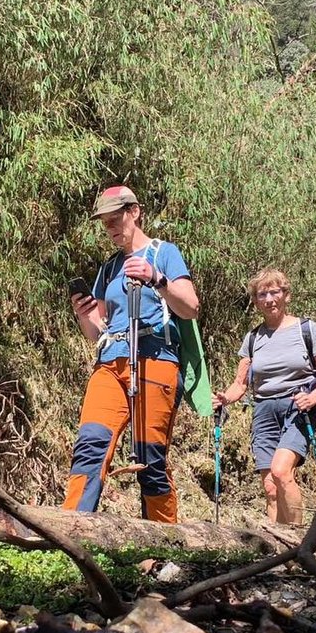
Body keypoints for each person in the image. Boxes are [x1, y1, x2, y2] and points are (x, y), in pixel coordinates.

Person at [63, 185, 200, 523]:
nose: (111, 229)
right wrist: (84, 313)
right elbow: (97, 330)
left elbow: (190, 307)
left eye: (116, 219)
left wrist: (158, 279)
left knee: (149, 458)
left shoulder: (164, 252)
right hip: (111, 362)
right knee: (91, 444)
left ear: (134, 212)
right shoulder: (108, 269)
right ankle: (71, 530)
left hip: (157, 360)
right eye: (105, 223)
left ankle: (163, 544)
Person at [212, 268, 316, 527]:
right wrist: (224, 398)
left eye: (274, 292)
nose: (269, 299)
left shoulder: (306, 329)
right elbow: (240, 384)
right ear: (255, 301)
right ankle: (277, 548)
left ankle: (298, 541)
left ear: (286, 295)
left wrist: (313, 398)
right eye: (262, 294)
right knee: (270, 487)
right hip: (264, 410)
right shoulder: (253, 338)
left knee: (282, 472)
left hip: (298, 407)